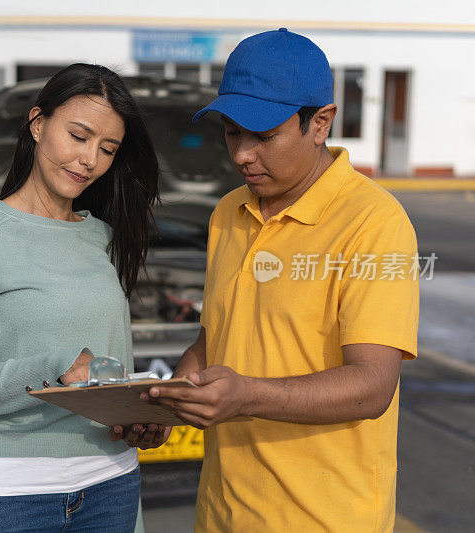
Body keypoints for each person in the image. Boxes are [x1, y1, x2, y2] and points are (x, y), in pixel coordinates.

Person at [121, 29, 419, 531]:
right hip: (222, 512)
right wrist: (168, 400)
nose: (241, 154)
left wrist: (248, 395)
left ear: (320, 123)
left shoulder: (374, 223)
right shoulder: (228, 213)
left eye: (263, 136)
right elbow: (216, 335)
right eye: (233, 132)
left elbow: (372, 386)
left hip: (324, 518)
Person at [0, 63, 159, 532]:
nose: (89, 160)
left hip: (110, 481)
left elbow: (114, 375)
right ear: (38, 124)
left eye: (107, 149)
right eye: (78, 136)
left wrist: (139, 419)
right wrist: (57, 368)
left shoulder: (105, 237)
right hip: (12, 494)